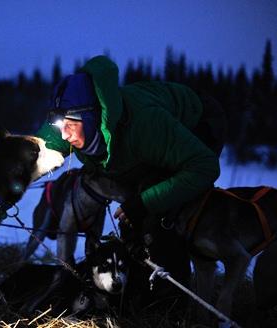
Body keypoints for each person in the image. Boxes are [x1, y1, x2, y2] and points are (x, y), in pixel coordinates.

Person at [35, 55, 226, 314]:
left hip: (198, 124)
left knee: (157, 217)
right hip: (140, 147)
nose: (64, 134)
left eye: (71, 125)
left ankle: (168, 307)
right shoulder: (72, 120)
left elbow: (204, 167)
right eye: (60, 126)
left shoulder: (146, 125)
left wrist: (146, 201)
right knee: (131, 217)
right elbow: (38, 151)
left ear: (93, 119)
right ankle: (132, 290)